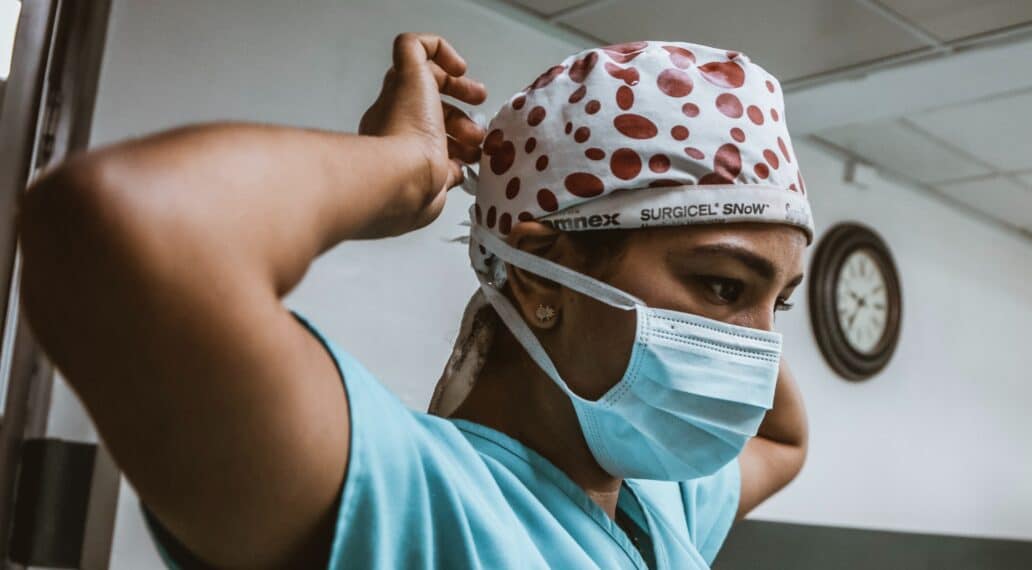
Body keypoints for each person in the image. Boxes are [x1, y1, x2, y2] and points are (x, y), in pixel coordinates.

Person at [19, 33, 812, 569]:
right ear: (540, 279)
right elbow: (120, 226)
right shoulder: (411, 503)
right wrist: (404, 166)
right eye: (723, 286)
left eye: (778, 305)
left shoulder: (657, 510)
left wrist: (752, 251)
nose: (758, 346)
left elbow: (783, 438)